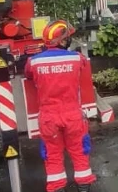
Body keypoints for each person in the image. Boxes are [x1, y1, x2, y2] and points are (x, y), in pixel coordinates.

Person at [25, 20, 96, 192]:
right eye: (67, 38)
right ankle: (84, 185)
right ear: (62, 41)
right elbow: (83, 67)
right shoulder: (76, 58)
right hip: (73, 115)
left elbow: (28, 75)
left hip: (49, 117)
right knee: (79, 150)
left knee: (52, 154)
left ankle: (57, 187)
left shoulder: (33, 62)